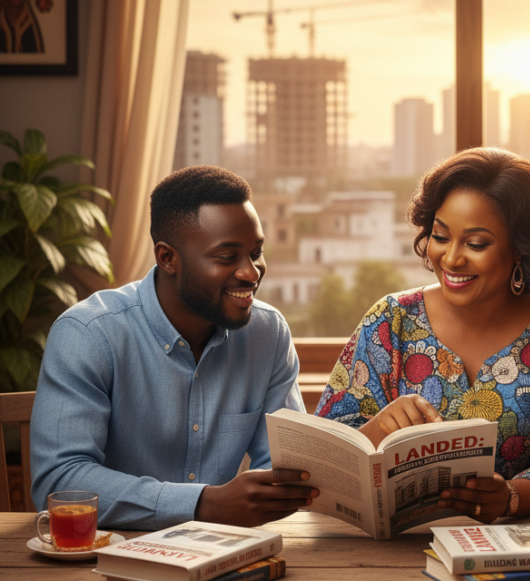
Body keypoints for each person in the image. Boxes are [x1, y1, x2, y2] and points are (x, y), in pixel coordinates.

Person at [314, 147, 530, 522]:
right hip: (387, 555)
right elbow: (324, 459)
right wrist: (376, 430)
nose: (451, 258)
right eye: (440, 236)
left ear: (521, 248)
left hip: (523, 551)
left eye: (476, 243)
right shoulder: (390, 322)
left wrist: (512, 498)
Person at [30, 166, 319, 530]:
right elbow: (59, 483)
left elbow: (283, 464)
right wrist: (202, 504)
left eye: (256, 252)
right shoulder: (87, 334)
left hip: (225, 556)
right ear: (167, 258)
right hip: (105, 561)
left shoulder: (268, 332)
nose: (251, 272)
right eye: (227, 257)